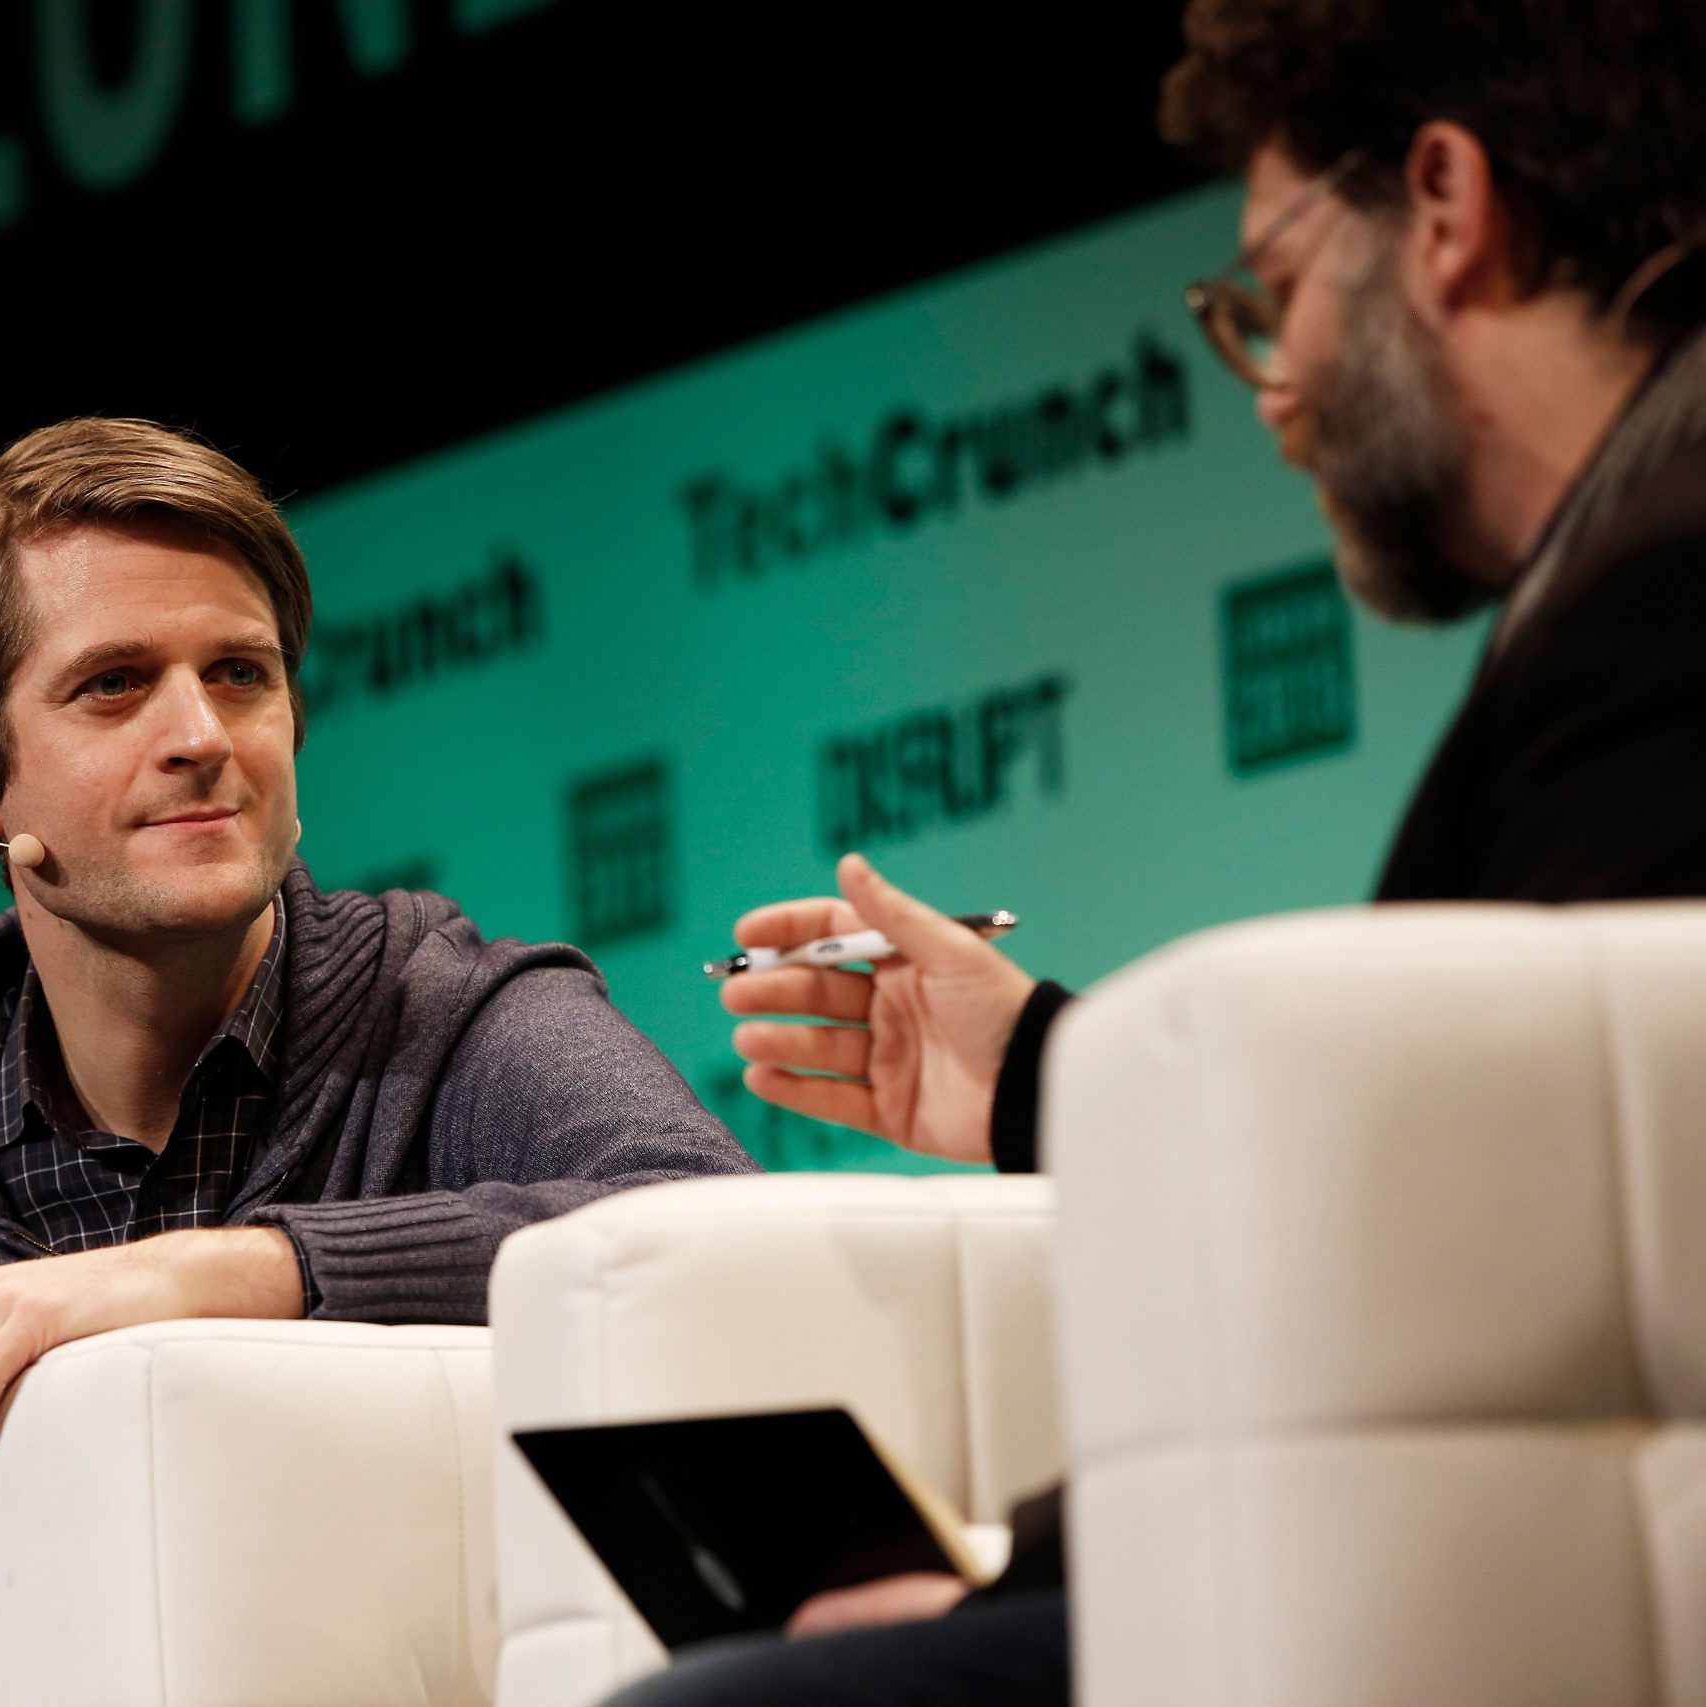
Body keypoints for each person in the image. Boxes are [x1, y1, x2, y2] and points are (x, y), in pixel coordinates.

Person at [615, 0, 1704, 1702]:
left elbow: (1461, 1297)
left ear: (1443, 204)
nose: (1278, 389)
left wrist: (1001, 1584)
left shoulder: (1661, 599)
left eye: (1277, 285)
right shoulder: (1634, 563)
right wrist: (1039, 1066)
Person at [0, 417, 757, 1704]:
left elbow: (717, 1248)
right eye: (114, 684)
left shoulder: (452, 1016)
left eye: (241, 674)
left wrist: (236, 1271)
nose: (200, 733)